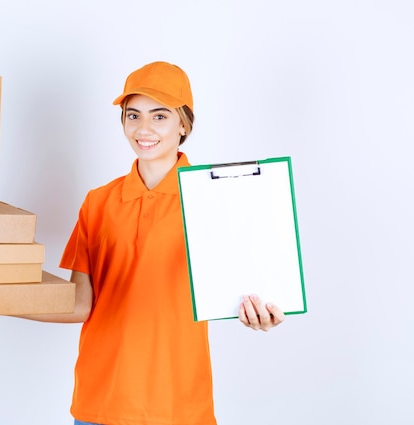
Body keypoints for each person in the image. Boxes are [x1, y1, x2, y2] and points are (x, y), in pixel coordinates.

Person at [20, 61, 285, 425]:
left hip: (178, 407)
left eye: (159, 116)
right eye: (133, 116)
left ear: (184, 125)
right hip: (102, 402)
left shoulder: (215, 199)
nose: (143, 129)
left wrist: (261, 313)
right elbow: (80, 304)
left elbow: (247, 285)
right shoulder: (97, 203)